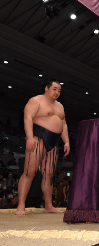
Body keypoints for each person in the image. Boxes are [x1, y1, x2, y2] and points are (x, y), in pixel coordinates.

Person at [16, 80, 70, 215]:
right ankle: (21, 206)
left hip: (54, 141)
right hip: (38, 138)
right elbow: (27, 118)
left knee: (49, 175)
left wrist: (67, 142)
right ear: (46, 88)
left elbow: (63, 125)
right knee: (30, 172)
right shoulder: (36, 100)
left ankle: (48, 205)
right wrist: (29, 137)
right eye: (54, 89)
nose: (57, 92)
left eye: (59, 90)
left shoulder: (60, 106)